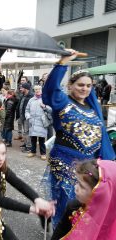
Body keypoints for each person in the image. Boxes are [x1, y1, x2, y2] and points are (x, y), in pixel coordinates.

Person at [42, 49, 115, 227]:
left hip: (88, 166)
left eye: (88, 86)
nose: (84, 89)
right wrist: (63, 63)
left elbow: (101, 138)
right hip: (65, 163)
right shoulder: (63, 102)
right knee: (67, 205)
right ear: (70, 86)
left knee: (84, 207)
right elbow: (50, 90)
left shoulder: (93, 109)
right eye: (80, 85)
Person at [51, 159, 116, 239]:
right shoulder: (73, 207)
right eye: (77, 182)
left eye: (81, 186)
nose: (75, 187)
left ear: (100, 193)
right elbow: (60, 231)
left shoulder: (112, 223)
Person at [25, 85, 52, 160]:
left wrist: (44, 107)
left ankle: (43, 153)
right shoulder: (31, 100)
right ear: (34, 91)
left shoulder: (45, 99)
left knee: (41, 139)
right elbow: (27, 110)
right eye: (36, 89)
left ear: (41, 90)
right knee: (33, 138)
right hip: (32, 121)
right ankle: (33, 151)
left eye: (39, 89)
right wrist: (28, 117)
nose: (37, 90)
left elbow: (51, 110)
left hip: (41, 122)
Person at [16, 82, 34, 153]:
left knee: (27, 132)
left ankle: (29, 147)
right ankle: (26, 144)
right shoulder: (23, 95)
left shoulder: (31, 96)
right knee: (25, 132)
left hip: (27, 117)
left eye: (22, 88)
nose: (20, 89)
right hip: (22, 116)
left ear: (26, 88)